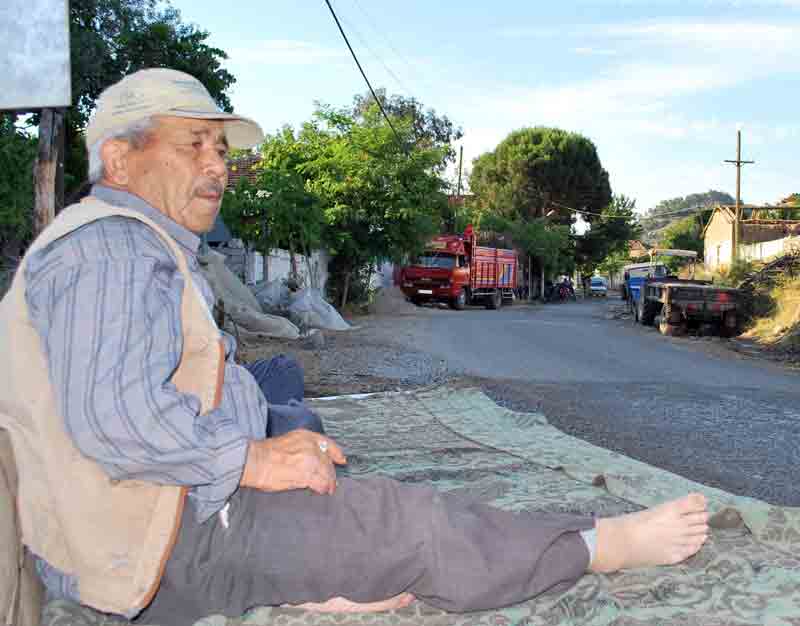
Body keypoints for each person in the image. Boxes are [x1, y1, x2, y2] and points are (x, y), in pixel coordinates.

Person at [0, 69, 710, 626]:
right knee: (409, 521)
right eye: (194, 145)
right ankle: (596, 545)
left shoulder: (128, 239)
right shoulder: (111, 250)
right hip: (163, 545)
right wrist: (252, 460)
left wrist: (270, 440)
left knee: (293, 414)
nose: (218, 166)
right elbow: (114, 420)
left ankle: (326, 566)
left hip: (155, 512)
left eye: (221, 148)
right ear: (121, 160)